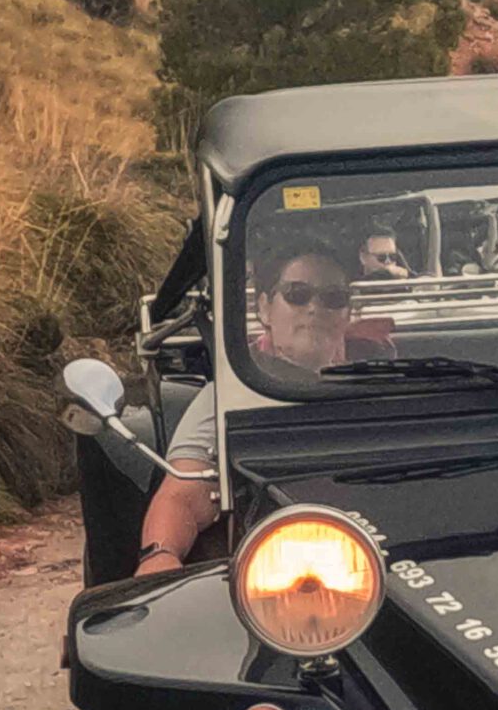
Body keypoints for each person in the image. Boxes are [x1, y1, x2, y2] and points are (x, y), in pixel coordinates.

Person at [134, 235, 382, 576]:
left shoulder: (385, 378)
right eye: (297, 294)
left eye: (333, 298)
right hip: (278, 561)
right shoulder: (232, 391)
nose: (315, 308)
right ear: (264, 308)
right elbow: (183, 494)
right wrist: (160, 555)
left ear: (347, 313)